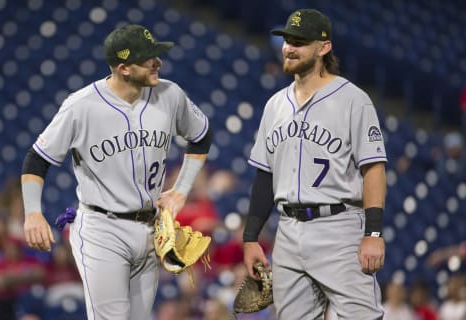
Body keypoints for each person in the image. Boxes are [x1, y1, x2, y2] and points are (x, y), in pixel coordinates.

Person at [20, 24, 212, 320]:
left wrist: (181, 190)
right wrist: (33, 212)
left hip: (151, 229)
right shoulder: (81, 106)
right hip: (102, 228)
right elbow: (37, 159)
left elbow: (201, 135)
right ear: (123, 68)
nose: (157, 61)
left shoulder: (170, 94)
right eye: (148, 57)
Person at [242, 9, 387, 319]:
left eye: (299, 42)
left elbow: (373, 168)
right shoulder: (275, 105)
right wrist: (251, 237)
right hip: (288, 230)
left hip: (339, 228)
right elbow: (265, 175)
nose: (289, 48)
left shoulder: (353, 99)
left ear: (323, 48)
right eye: (286, 41)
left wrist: (373, 235)